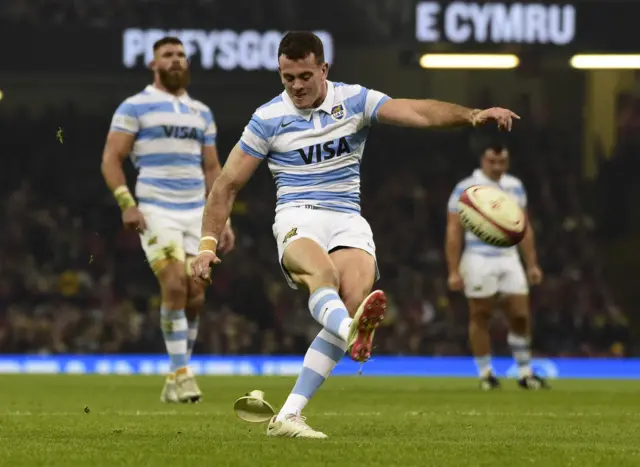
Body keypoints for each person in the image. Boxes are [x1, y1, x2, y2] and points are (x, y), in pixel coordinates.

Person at [191, 31, 518, 438]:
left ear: (324, 69)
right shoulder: (267, 119)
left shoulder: (354, 101)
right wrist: (206, 246)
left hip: (347, 218)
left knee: (352, 299)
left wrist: (470, 115)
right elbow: (225, 185)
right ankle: (351, 331)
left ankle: (289, 414)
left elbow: (414, 112)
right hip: (298, 216)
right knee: (322, 278)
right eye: (287, 77)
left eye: (304, 76)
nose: (296, 86)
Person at [101, 36, 235, 403]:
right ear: (153, 64)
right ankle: (183, 375)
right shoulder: (135, 107)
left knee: (195, 294)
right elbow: (111, 159)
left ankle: (174, 378)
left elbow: (212, 168)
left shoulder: (201, 113)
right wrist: (127, 202)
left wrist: (223, 220)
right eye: (167, 55)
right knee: (175, 282)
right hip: (156, 208)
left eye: (180, 55)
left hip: (197, 212)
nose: (175, 60)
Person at [445, 142, 547, 390]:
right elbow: (454, 230)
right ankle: (486, 374)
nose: (497, 166)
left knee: (521, 316)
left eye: (502, 162)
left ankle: (525, 373)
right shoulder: (465, 188)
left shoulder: (515, 186)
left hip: (509, 257)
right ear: (482, 160)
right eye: (492, 161)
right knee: (481, 315)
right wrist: (454, 269)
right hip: (478, 257)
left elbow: (524, 227)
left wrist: (532, 263)